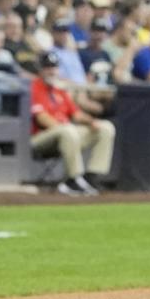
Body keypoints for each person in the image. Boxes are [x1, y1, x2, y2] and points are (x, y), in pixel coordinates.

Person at [30, 51, 115, 196]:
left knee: (105, 127)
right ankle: (72, 179)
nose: (51, 71)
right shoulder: (34, 87)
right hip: (41, 138)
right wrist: (64, 128)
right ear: (41, 69)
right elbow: (41, 117)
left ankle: (91, 177)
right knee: (68, 130)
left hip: (67, 135)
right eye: (48, 67)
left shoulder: (58, 89)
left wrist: (91, 121)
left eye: (54, 67)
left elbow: (75, 113)